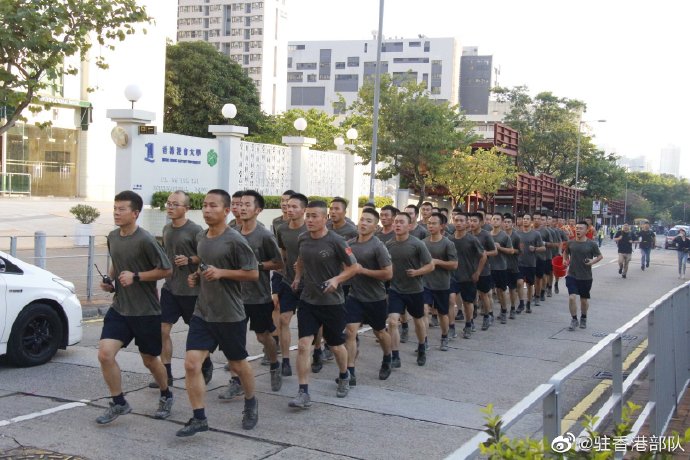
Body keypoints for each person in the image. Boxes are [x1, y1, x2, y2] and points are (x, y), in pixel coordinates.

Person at [177, 189, 260, 436]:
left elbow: (253, 273)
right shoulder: (202, 237)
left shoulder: (235, 240)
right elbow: (205, 267)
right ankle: (199, 417)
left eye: (213, 206)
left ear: (226, 211)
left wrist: (222, 273)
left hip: (229, 314)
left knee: (238, 364)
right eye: (204, 205)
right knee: (192, 365)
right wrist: (196, 276)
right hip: (203, 312)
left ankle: (251, 401)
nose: (207, 210)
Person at [97, 190, 173, 425]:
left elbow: (166, 270)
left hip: (146, 311)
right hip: (120, 308)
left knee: (150, 360)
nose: (116, 213)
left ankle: (166, 394)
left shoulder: (146, 239)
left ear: (135, 213)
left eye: (122, 209)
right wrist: (110, 281)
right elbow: (117, 264)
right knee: (105, 355)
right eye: (115, 208)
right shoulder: (112, 236)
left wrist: (136, 277)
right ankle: (119, 402)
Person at [288, 200, 359, 408]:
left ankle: (344, 375)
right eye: (307, 216)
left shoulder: (337, 241)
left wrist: (337, 280)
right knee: (303, 345)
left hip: (332, 303)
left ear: (325, 218)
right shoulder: (302, 238)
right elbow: (300, 260)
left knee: (336, 346)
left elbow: (354, 267)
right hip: (308, 300)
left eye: (314, 216)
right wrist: (297, 277)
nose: (309, 220)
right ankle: (303, 392)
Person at [218, 190, 284, 400]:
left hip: (258, 296)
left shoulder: (264, 235)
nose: (242, 207)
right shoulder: (231, 231)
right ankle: (236, 381)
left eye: (248, 204)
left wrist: (257, 266)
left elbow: (278, 262)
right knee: (235, 340)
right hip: (234, 297)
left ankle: (274, 365)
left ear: (258, 210)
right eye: (240, 204)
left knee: (263, 336)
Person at [150, 191, 211, 390]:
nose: (170, 207)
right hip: (170, 289)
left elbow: (206, 257)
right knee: (161, 330)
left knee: (196, 334)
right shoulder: (167, 229)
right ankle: (166, 374)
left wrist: (189, 260)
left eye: (176, 204)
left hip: (192, 292)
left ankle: (206, 363)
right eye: (169, 203)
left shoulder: (196, 230)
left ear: (187, 208)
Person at [344, 208, 394, 380]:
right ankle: (350, 372)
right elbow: (346, 267)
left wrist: (363, 271)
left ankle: (388, 357)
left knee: (380, 332)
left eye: (368, 221)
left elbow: (388, 274)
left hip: (375, 298)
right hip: (355, 296)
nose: (363, 223)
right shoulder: (350, 244)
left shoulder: (378, 246)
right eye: (362, 219)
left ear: (376, 226)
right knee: (350, 332)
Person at [386, 212, 435, 366]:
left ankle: (421, 347)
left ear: (409, 226)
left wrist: (417, 272)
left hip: (415, 290)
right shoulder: (389, 245)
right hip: (395, 289)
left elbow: (431, 265)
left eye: (401, 222)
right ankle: (395, 356)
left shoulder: (417, 244)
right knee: (393, 322)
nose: (397, 225)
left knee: (418, 321)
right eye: (396, 222)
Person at [276, 193, 308, 377]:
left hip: (309, 284)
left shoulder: (310, 229)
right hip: (288, 281)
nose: (290, 209)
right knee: (283, 319)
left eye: (295, 207)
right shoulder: (281, 229)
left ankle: (318, 349)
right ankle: (286, 361)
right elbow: (283, 251)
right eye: (288, 206)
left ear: (304, 210)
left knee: (310, 326)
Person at [422, 212, 458, 350]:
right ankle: (423, 340)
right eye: (429, 223)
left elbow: (454, 264)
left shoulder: (448, 244)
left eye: (433, 223)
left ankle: (444, 336)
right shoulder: (423, 243)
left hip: (442, 284)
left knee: (443, 314)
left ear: (442, 226)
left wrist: (437, 262)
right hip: (425, 284)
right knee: (424, 311)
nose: (430, 226)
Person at [449, 212, 486, 339]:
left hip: (468, 276)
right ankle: (451, 327)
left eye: (461, 221)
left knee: (467, 303)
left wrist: (478, 272)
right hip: (452, 277)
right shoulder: (449, 239)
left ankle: (468, 324)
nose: (458, 223)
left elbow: (483, 256)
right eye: (456, 220)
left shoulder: (472, 240)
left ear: (466, 223)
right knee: (450, 301)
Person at [563, 221, 603, 331]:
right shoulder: (570, 243)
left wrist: (592, 261)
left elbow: (600, 256)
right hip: (572, 275)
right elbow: (566, 252)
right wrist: (564, 260)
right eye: (577, 228)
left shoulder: (591, 244)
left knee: (584, 300)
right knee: (572, 298)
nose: (578, 230)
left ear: (586, 230)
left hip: (585, 277)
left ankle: (583, 317)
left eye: (581, 228)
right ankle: (574, 319)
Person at [468, 212, 497, 330]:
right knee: (470, 295)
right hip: (469, 270)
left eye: (474, 221)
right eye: (470, 220)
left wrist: (485, 253)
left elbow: (495, 252)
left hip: (483, 270)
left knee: (483, 294)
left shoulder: (486, 235)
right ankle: (471, 316)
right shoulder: (467, 234)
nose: (471, 223)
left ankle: (488, 315)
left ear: (481, 223)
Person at [516, 214, 545, 314]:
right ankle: (521, 303)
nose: (525, 221)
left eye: (527, 219)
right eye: (524, 219)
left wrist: (535, 248)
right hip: (519, 263)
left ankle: (528, 302)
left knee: (529, 285)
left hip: (531, 263)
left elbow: (543, 248)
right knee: (519, 283)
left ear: (531, 221)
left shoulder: (536, 234)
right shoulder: (517, 233)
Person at [489, 214, 513, 324]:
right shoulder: (487, 235)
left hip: (501, 267)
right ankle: (488, 314)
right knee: (488, 292)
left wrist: (500, 248)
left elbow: (511, 251)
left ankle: (504, 310)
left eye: (497, 219)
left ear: (502, 222)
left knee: (501, 291)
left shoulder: (504, 236)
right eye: (493, 219)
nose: (495, 221)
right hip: (488, 268)